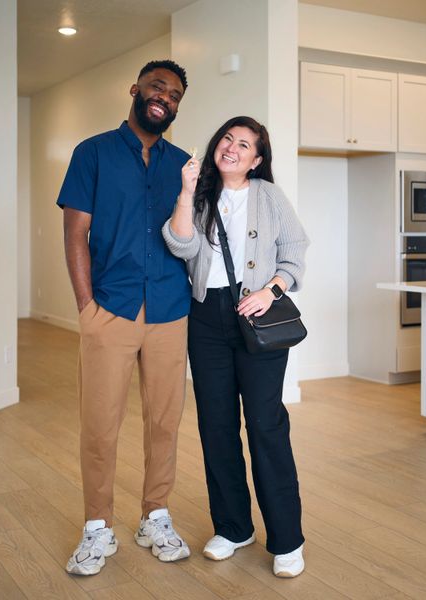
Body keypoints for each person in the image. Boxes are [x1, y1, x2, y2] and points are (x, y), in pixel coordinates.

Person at [57, 59, 193, 576]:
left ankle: (154, 515)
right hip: (109, 309)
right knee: (101, 424)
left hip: (169, 309)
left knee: (164, 421)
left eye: (175, 94)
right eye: (158, 87)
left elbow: (191, 238)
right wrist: (86, 308)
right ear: (135, 90)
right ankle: (97, 526)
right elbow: (76, 235)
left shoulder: (182, 163)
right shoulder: (91, 153)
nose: (165, 98)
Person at [162, 116, 310, 577]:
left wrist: (272, 290)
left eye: (244, 144)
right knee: (216, 425)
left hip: (258, 314)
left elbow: (295, 250)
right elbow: (181, 245)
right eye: (228, 138)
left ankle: (286, 539)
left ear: (257, 159)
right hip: (207, 318)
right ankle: (233, 527)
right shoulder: (201, 195)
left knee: (266, 424)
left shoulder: (268, 197)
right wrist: (186, 192)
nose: (232, 148)